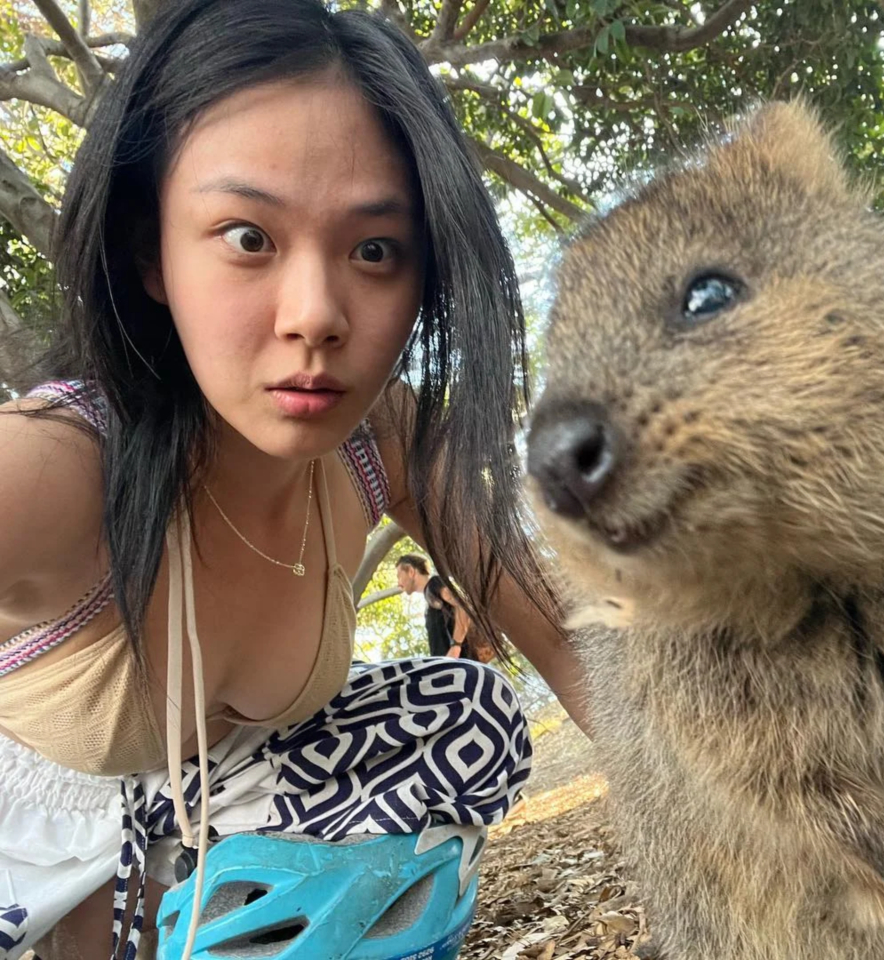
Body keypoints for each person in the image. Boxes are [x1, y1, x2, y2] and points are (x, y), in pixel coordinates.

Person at [0, 1, 588, 957]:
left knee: (460, 713)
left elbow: (578, 655)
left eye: (373, 250)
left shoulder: (385, 439)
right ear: (152, 252)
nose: (315, 315)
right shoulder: (51, 468)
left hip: (220, 825)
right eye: (246, 237)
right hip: (28, 845)